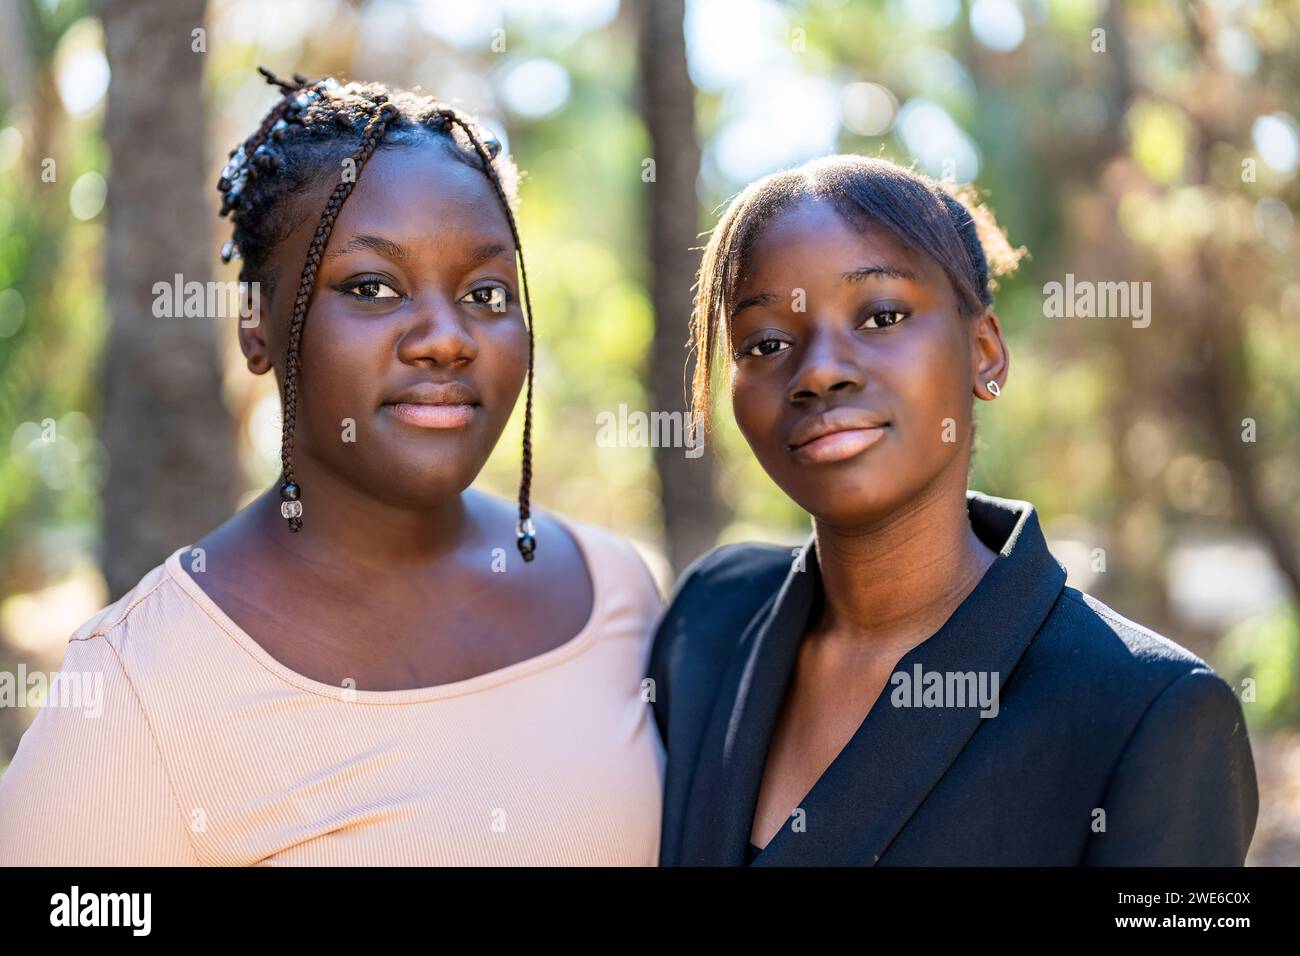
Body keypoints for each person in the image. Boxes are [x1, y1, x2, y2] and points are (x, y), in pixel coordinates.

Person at [0, 69, 663, 866]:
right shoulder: (136, 688)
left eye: (486, 293)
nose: (446, 338)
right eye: (373, 286)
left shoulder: (617, 594)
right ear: (256, 325)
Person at [648, 155, 1258, 866]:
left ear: (984, 353)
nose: (817, 370)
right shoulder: (709, 618)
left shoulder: (1146, 714)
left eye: (880, 315)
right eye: (767, 343)